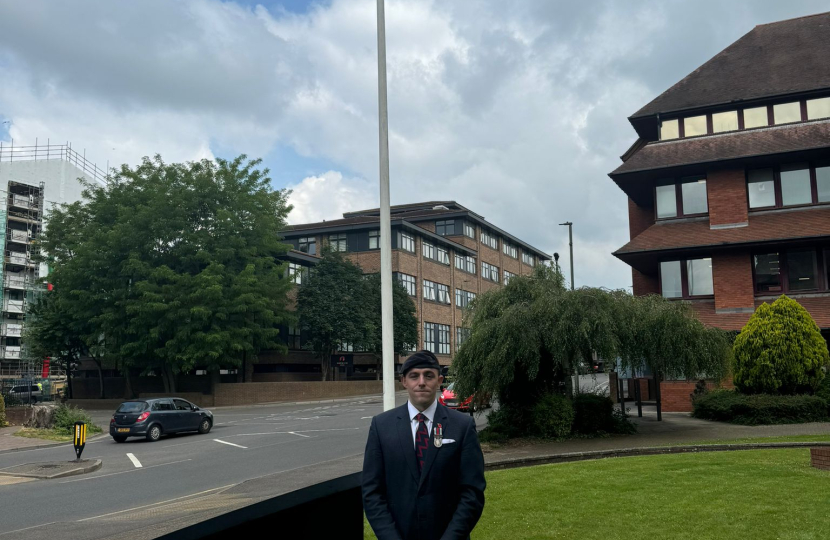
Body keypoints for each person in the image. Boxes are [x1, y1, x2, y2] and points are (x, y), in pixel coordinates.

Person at [362, 350, 486, 540]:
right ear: (404, 381)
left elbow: (472, 491)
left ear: (439, 381)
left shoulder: (462, 426)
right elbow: (372, 491)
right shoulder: (381, 426)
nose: (421, 382)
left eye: (429, 375)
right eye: (414, 376)